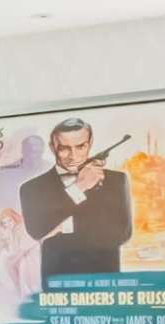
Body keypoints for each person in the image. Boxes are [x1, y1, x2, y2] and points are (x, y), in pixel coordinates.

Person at [15, 117, 133, 279]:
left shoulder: (116, 180)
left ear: (90, 143)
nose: (73, 156)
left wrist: (61, 228)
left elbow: (121, 233)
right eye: (64, 148)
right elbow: (37, 230)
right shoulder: (31, 188)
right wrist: (79, 187)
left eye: (80, 146)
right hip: (57, 278)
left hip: (105, 276)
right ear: (52, 147)